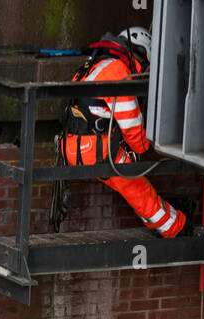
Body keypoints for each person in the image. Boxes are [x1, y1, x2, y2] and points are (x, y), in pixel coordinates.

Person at [60, 25, 188, 239]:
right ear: (141, 54)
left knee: (132, 185)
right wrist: (143, 148)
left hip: (72, 144)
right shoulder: (119, 72)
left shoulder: (96, 64)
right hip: (93, 149)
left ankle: (167, 219)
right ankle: (178, 230)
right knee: (137, 188)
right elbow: (133, 128)